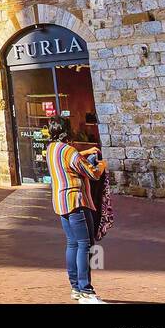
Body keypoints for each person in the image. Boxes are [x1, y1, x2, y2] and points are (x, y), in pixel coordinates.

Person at [44, 118, 107, 303]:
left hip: (61, 202)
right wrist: (102, 165)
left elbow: (70, 159)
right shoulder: (68, 150)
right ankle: (86, 291)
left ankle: (76, 288)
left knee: (73, 244)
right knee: (86, 244)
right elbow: (92, 173)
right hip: (76, 201)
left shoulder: (52, 149)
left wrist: (85, 152)